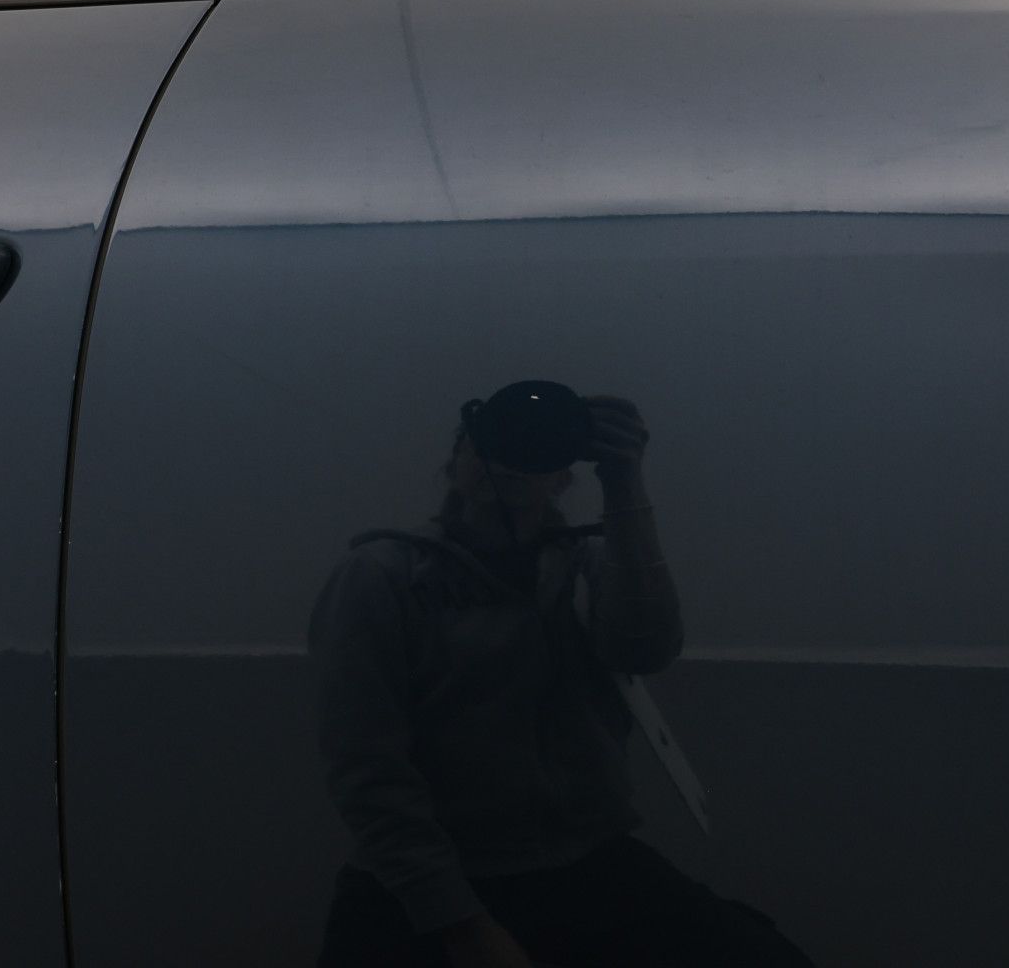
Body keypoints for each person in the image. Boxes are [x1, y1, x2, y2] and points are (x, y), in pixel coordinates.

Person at [308, 388, 812, 968]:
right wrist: (459, 922)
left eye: (535, 446)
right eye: (488, 441)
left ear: (563, 476)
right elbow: (366, 765)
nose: (508, 459)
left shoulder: (589, 568)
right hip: (430, 879)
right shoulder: (381, 577)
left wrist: (624, 483)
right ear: (454, 463)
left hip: (585, 860)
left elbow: (646, 647)